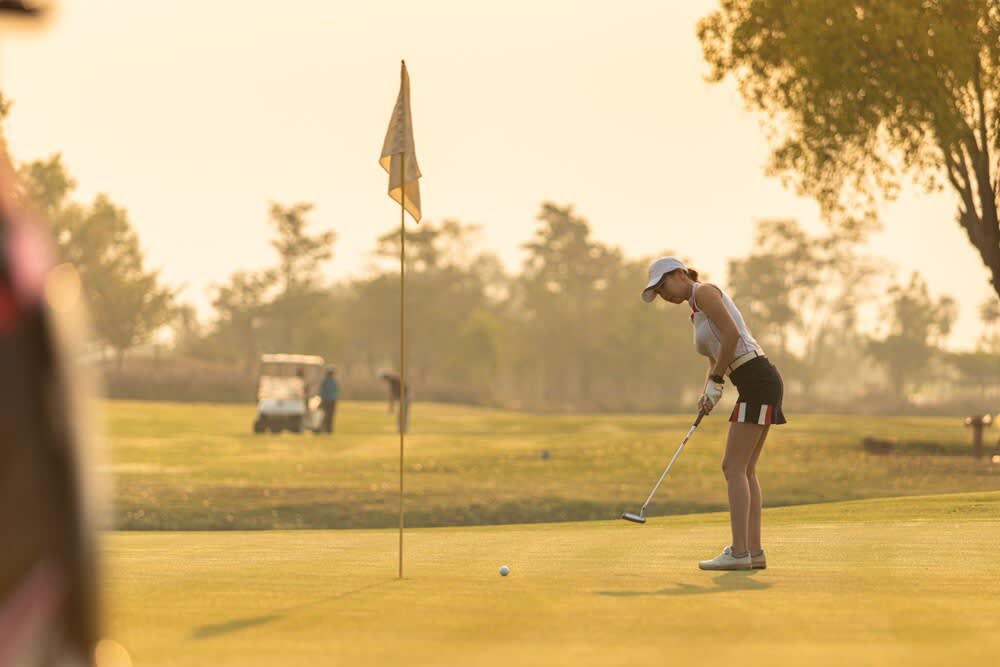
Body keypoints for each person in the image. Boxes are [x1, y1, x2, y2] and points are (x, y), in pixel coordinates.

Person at [641, 256, 786, 571]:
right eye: (658, 291)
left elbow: (731, 336)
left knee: (733, 467)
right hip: (753, 381)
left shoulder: (704, 292)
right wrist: (708, 390)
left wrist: (718, 380)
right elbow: (714, 357)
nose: (663, 294)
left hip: (757, 378)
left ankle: (739, 552)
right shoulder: (695, 314)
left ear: (680, 274)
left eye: (663, 285)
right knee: (744, 469)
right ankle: (753, 552)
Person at [378, 370, 411, 434]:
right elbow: (392, 395)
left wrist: (391, 407)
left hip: (406, 396)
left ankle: (403, 429)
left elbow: (393, 394)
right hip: (403, 397)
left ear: (385, 377)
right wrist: (391, 406)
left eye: (383, 378)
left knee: (403, 414)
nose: (383, 381)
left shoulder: (393, 380)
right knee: (400, 414)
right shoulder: (392, 381)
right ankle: (401, 429)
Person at [319, 367, 339, 434]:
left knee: (326, 415)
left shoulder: (325, 381)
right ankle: (329, 430)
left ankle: (325, 429)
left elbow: (322, 391)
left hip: (326, 400)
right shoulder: (334, 382)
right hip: (332, 400)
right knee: (330, 415)